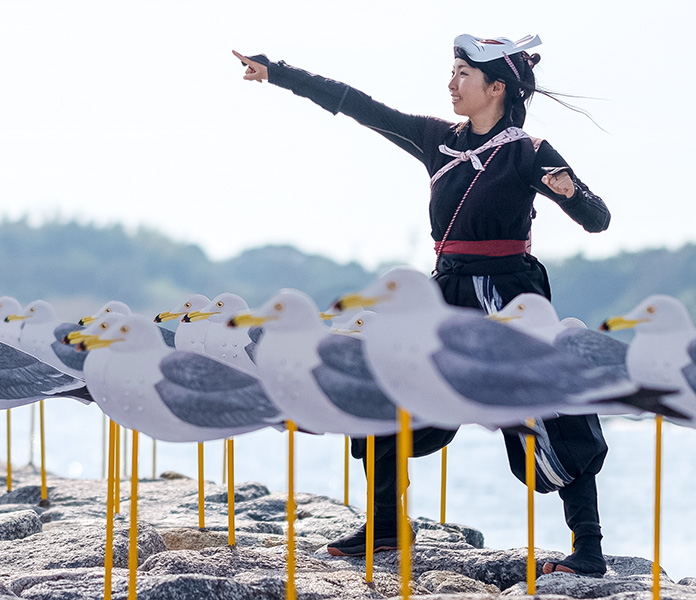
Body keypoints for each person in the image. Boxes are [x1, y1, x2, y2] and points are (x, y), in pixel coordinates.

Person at [233, 35, 611, 576]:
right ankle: (386, 528)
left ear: (496, 87)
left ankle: (589, 549)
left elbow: (599, 220)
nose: (452, 83)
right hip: (445, 291)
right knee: (379, 380)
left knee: (551, 407)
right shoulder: (437, 138)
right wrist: (278, 72)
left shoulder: (530, 152)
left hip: (508, 297)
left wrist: (571, 194)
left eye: (463, 74)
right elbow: (356, 103)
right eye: (452, 72)